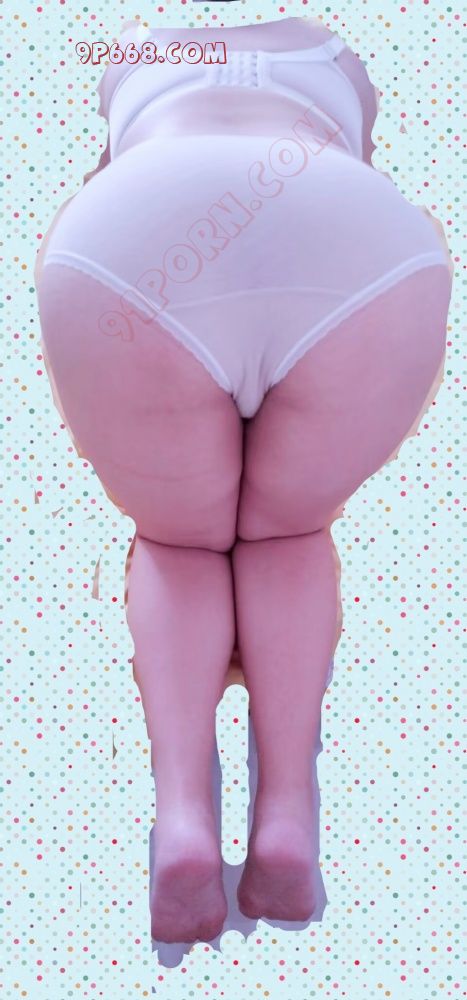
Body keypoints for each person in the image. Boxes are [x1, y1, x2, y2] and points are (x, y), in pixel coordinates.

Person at [35, 15, 453, 945]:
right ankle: (288, 815)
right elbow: (356, 152)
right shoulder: (334, 51)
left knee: (180, 539)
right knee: (287, 532)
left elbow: (111, 154)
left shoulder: (136, 44)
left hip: (141, 226)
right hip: (351, 235)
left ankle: (185, 820)